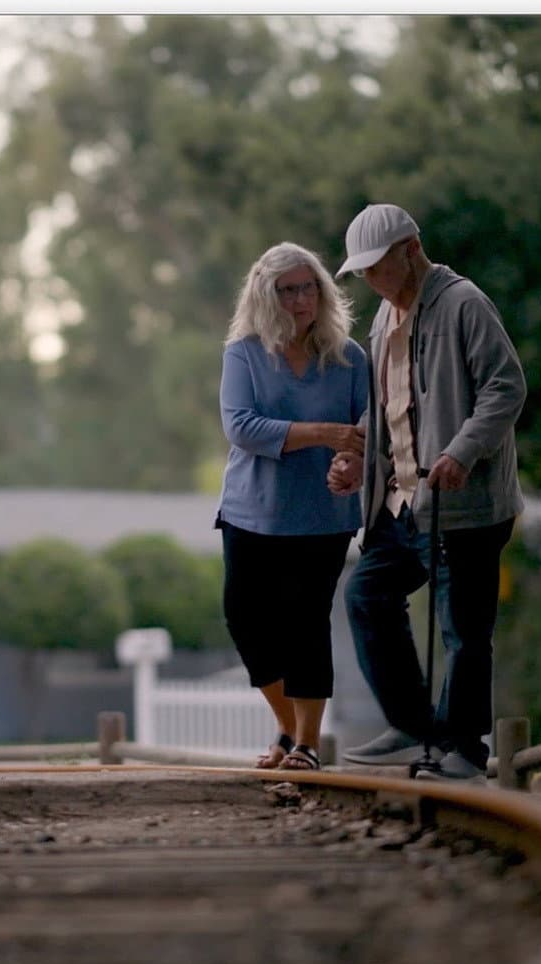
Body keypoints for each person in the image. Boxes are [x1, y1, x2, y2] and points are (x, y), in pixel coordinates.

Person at [326, 203, 526, 779]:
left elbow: (505, 387)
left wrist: (461, 452)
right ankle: (414, 726)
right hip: (401, 503)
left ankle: (463, 749)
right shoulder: (384, 320)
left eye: (376, 266)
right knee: (366, 596)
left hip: (464, 505)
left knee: (462, 631)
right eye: (360, 270)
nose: (368, 279)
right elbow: (390, 411)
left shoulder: (465, 304)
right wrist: (356, 459)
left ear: (411, 250)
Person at [215, 242, 369, 772]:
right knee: (245, 618)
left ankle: (306, 743)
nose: (300, 300)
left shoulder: (350, 359)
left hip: (323, 515)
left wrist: (352, 461)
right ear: (265, 295)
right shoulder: (244, 354)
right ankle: (285, 721)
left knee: (306, 623)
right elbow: (241, 427)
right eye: (288, 290)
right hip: (250, 510)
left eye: (309, 288)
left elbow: (369, 430)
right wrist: (324, 434)